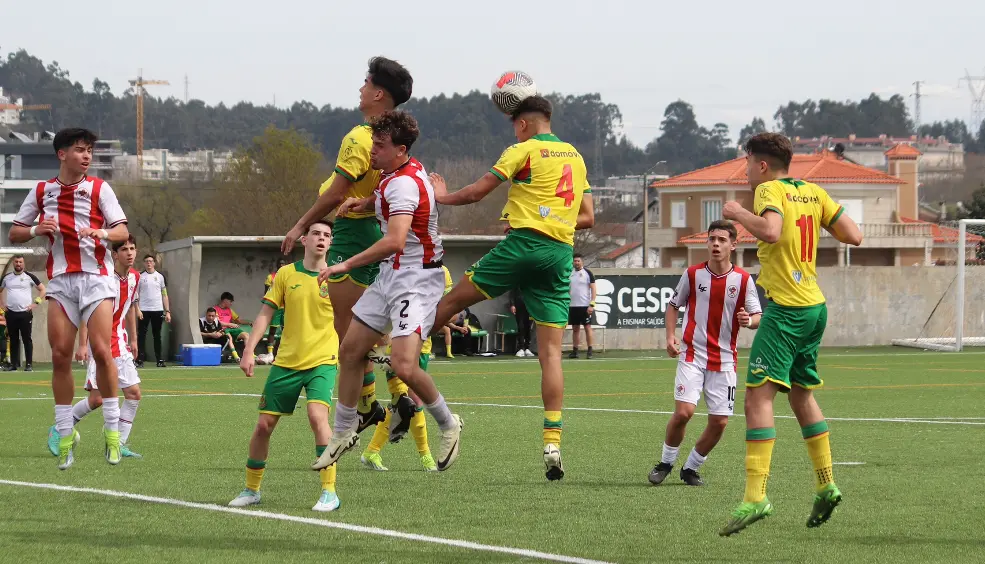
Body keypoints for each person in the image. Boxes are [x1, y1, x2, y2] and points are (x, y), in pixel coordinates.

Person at [428, 95, 595, 481]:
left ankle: (401, 357)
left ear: (521, 124)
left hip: (523, 244)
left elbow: (475, 192)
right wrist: (550, 217)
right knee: (551, 353)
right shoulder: (575, 156)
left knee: (452, 301)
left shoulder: (522, 149)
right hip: (558, 253)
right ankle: (552, 439)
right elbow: (586, 217)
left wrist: (441, 197)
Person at [718, 133, 863, 536]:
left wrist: (736, 213)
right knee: (801, 396)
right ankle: (825, 483)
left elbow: (770, 232)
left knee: (757, 396)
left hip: (787, 309)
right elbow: (854, 235)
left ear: (762, 165)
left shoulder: (768, 189)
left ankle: (755, 495)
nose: (745, 170)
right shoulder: (813, 192)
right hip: (815, 306)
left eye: (747, 163)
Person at [311, 110, 462, 473]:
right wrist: (362, 203)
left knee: (404, 365)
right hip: (390, 275)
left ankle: (448, 423)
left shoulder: (403, 184)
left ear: (401, 149)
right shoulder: (392, 174)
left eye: (379, 146)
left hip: (416, 279)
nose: (372, 151)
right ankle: (343, 432)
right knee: (350, 349)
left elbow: (395, 240)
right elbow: (385, 202)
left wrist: (345, 263)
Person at [281, 56, 413, 435]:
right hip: (376, 231)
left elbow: (336, 193)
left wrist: (300, 225)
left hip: (354, 233)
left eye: (365, 82)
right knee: (370, 329)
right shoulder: (393, 140)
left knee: (349, 334)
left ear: (377, 93)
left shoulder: (359, 138)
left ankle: (380, 403)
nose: (359, 88)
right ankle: (392, 396)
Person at [10, 127, 130, 469]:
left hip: (96, 279)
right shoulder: (41, 190)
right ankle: (64, 438)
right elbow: (15, 232)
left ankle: (112, 433)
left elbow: (122, 230)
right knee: (61, 355)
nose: (87, 155)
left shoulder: (99, 188)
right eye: (80, 150)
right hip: (61, 281)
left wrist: (101, 232)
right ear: (62, 154)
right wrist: (36, 229)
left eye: (90, 150)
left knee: (102, 349)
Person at [229, 220, 341, 512]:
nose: (321, 238)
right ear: (304, 240)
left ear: (331, 243)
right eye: (316, 233)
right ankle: (251, 490)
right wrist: (249, 350)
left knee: (318, 418)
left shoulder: (337, 278)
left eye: (327, 235)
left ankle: (329, 492)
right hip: (287, 361)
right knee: (264, 425)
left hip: (323, 361)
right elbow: (266, 314)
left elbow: (352, 318)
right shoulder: (285, 274)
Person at [648, 220, 761, 487]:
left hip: (724, 360)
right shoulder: (692, 274)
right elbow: (673, 305)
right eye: (712, 239)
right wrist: (670, 336)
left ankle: (691, 468)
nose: (716, 244)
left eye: (722, 240)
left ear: (734, 245)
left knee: (720, 422)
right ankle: (665, 462)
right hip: (692, 355)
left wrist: (749, 321)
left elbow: (758, 315)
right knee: (684, 413)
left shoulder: (744, 280)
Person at [48, 235, 144, 460]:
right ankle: (59, 428)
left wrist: (134, 339)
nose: (129, 253)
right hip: (99, 343)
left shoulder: (135, 278)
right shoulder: (103, 278)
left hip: (119, 341)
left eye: (132, 248)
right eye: (124, 249)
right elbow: (87, 311)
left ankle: (118, 443)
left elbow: (130, 308)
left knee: (133, 394)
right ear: (114, 254)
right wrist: (82, 343)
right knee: (97, 399)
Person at [359, 264, 455, 473]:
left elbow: (452, 312)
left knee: (400, 405)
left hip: (422, 347)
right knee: (410, 403)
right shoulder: (396, 266)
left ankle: (371, 452)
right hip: (398, 347)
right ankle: (426, 457)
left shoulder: (442, 272)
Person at [0, 254, 46, 371]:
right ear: (13, 263)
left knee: (27, 339)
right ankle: (14, 365)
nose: (18, 264)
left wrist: (36, 303)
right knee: (13, 339)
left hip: (25, 313)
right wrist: (2, 304)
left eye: (20, 262)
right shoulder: (7, 277)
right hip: (11, 313)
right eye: (16, 262)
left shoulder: (29, 277)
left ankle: (29, 365)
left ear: (23, 263)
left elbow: (43, 289)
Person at [136, 254, 170, 367]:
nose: (149, 263)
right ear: (144, 263)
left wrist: (167, 311)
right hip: (144, 310)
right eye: (146, 261)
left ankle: (159, 360)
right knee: (141, 335)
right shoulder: (140, 276)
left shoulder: (160, 277)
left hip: (157, 310)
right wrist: (137, 309)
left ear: (154, 263)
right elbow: (136, 295)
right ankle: (139, 360)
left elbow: (164, 294)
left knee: (157, 335)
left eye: (151, 261)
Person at [567, 253, 596, 359]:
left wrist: (591, 304)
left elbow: (593, 289)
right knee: (575, 329)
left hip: (585, 306)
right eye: (575, 261)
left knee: (587, 328)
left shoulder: (588, 273)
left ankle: (590, 351)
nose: (576, 263)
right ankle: (575, 351)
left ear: (582, 262)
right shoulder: (569, 273)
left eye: (578, 261)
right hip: (573, 306)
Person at [263, 258, 288, 358]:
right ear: (277, 265)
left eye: (283, 263)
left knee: (286, 330)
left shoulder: (289, 276)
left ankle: (283, 352)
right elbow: (266, 292)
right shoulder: (271, 277)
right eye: (280, 264)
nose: (282, 265)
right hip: (276, 307)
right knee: (273, 330)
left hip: (286, 307)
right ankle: (270, 353)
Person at [214, 292, 249, 359]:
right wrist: (230, 324)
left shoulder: (230, 310)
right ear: (225, 300)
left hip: (231, 329)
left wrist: (249, 323)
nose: (231, 303)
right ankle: (236, 356)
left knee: (246, 335)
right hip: (222, 330)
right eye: (230, 301)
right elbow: (218, 322)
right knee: (229, 337)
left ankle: (249, 354)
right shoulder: (215, 309)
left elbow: (238, 321)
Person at [509, 288, 534, 357]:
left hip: (530, 307)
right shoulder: (518, 280)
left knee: (528, 327)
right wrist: (512, 304)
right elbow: (512, 292)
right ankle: (521, 348)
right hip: (519, 306)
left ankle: (527, 348)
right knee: (521, 326)